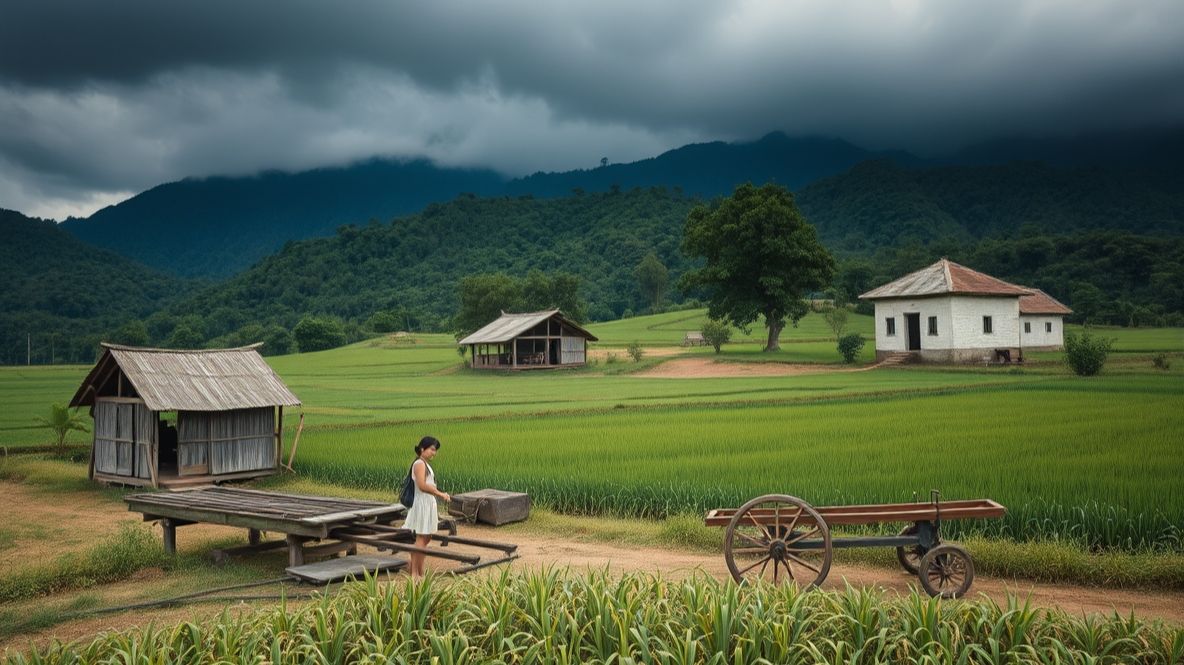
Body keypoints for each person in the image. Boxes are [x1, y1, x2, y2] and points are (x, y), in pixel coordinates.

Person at [404, 435, 450, 578]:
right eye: (431, 449)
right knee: (421, 537)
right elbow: (422, 485)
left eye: (435, 450)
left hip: (428, 503)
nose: (434, 453)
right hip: (422, 504)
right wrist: (440, 493)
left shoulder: (425, 463)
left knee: (427, 537)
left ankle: (417, 569)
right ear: (422, 448)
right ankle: (415, 573)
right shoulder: (419, 464)